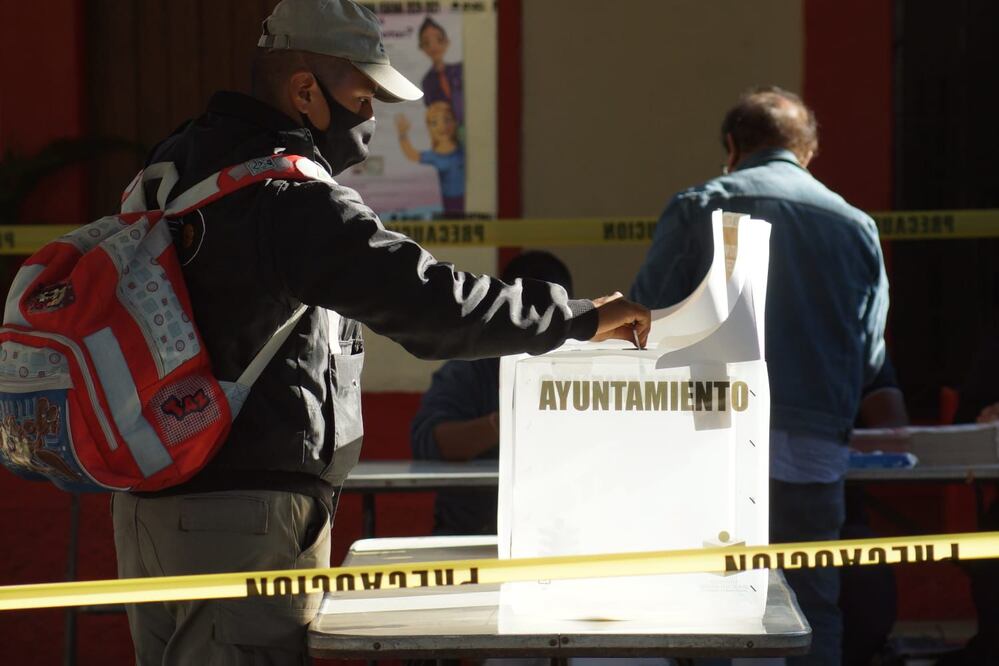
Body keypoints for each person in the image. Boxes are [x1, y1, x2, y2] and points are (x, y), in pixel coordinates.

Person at [109, 1, 651, 664]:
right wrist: (578, 318)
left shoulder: (176, 164)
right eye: (363, 94)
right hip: (241, 518)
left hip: (151, 506)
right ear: (304, 90)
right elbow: (429, 304)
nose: (370, 117)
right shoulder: (285, 194)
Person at [630, 86, 889, 666]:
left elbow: (646, 317)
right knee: (813, 607)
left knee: (708, 607)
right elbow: (869, 354)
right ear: (810, 150)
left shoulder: (701, 205)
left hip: (711, 436)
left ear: (731, 146)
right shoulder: (856, 226)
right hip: (817, 446)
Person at [411, 251, 574, 535]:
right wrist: (506, 422)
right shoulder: (472, 367)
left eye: (553, 318)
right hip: (470, 531)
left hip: (554, 532)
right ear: (508, 312)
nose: (542, 327)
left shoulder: (579, 368)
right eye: (532, 316)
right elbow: (428, 442)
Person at [395, 100, 465, 215]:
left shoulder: (462, 148)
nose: (442, 126)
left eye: (447, 119)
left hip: (467, 198)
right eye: (434, 122)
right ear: (429, 128)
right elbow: (412, 154)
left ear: (455, 122)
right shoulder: (434, 156)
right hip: (448, 201)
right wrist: (403, 135)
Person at [417, 16, 464, 127]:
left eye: (439, 40)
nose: (434, 46)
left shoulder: (460, 69)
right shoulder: (427, 81)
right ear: (422, 47)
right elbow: (432, 112)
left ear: (447, 42)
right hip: (446, 132)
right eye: (427, 43)